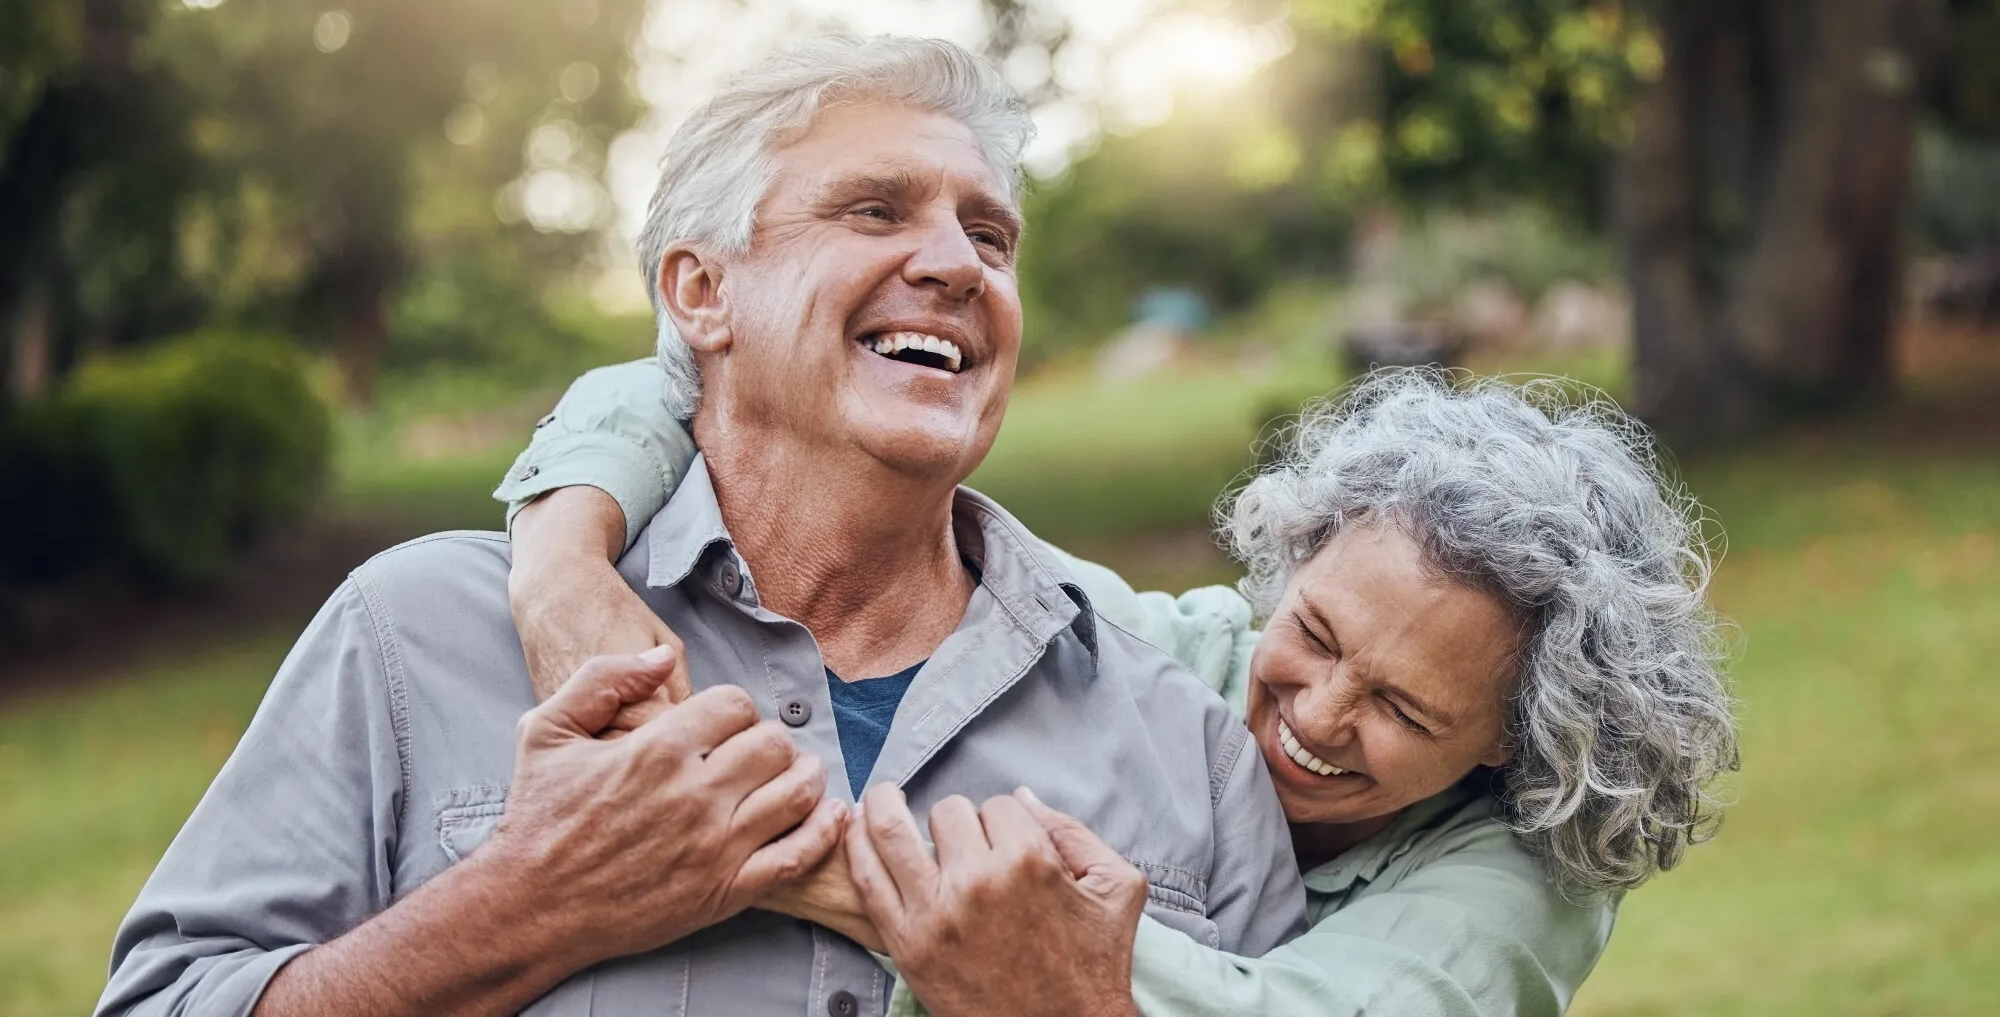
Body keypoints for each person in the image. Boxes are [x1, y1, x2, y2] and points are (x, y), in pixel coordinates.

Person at [97, 35, 1307, 1017]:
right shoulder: (415, 635)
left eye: (988, 236)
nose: (954, 263)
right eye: (875, 211)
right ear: (701, 292)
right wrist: (527, 904)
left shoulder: (1184, 745)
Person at [502, 365, 1741, 1016]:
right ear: (1289, 559)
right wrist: (562, 564)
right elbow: (686, 366)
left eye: (1403, 711)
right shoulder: (1154, 655)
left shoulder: (1526, 878)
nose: (1312, 716)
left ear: (1507, 745)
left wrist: (794, 864)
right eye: (1310, 633)